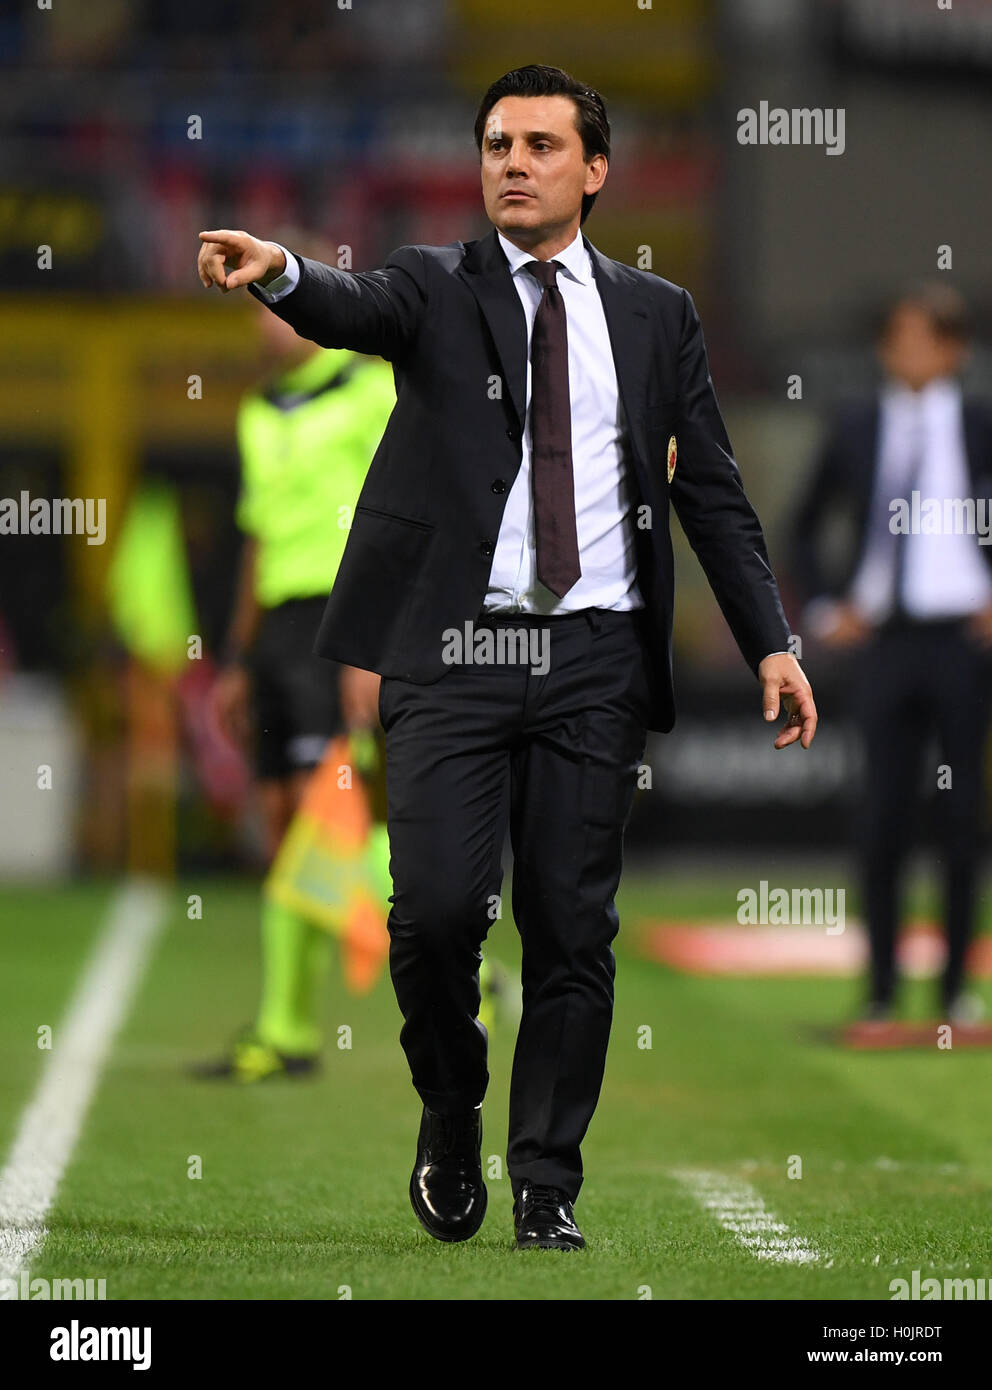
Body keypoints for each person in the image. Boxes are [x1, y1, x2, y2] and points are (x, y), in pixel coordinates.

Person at [197, 63, 816, 1250]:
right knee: (431, 917)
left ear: (593, 169)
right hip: (452, 651)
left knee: (571, 928)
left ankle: (545, 1180)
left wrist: (769, 642)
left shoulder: (656, 314)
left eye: (539, 144)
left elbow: (717, 498)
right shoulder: (432, 284)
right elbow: (347, 302)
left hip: (593, 656)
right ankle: (448, 1105)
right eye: (495, 144)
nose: (512, 163)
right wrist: (280, 271)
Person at [195, 285, 396, 1080]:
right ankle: (289, 1031)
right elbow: (256, 540)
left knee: (332, 817)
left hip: (339, 623)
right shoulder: (259, 411)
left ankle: (468, 972)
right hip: (277, 633)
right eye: (253, 312)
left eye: (273, 306)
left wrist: (372, 643)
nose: (262, 325)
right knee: (287, 828)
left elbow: (399, 519)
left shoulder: (372, 388)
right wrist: (239, 661)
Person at [792, 284, 992, 1026]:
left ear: (954, 349)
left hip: (960, 641)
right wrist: (823, 607)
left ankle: (953, 993)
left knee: (962, 814)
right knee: (881, 815)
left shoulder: (978, 423)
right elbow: (804, 523)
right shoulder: (857, 423)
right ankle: (879, 990)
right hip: (883, 640)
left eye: (925, 337)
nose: (909, 350)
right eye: (898, 336)